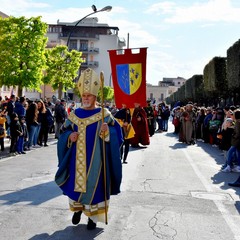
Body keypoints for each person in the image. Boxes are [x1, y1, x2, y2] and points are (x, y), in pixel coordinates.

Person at [55, 68, 123, 230]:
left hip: (97, 162)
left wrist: (108, 132)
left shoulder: (104, 115)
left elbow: (118, 136)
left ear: (95, 96)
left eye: (89, 95)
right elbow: (63, 132)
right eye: (84, 95)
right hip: (76, 161)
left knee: (95, 187)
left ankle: (92, 218)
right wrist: (70, 136)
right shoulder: (74, 115)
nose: (86, 98)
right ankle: (78, 210)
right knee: (76, 185)